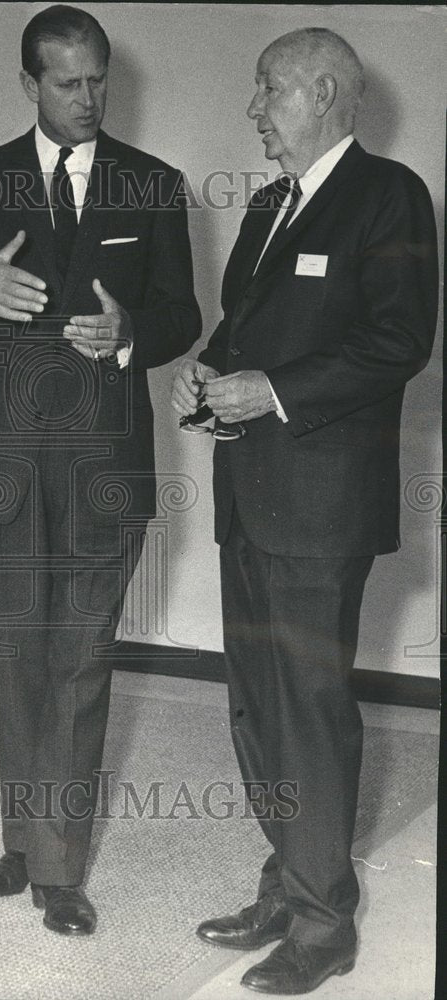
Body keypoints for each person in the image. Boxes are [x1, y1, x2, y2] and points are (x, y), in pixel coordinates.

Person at [0, 4, 200, 935]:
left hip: (103, 469)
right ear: (29, 83)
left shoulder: (152, 185)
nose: (88, 98)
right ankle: (22, 840)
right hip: (5, 461)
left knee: (78, 659)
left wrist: (131, 337)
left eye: (99, 80)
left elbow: (180, 314)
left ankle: (60, 868)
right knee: (18, 654)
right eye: (68, 82)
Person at [171, 27, 438, 994]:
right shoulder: (271, 206)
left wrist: (272, 390)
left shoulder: (390, 197)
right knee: (258, 705)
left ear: (325, 92)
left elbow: (398, 339)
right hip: (250, 496)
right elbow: (238, 330)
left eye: (267, 90)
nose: (253, 111)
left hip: (322, 509)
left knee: (311, 710)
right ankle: (290, 882)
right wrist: (205, 374)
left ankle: (325, 928)